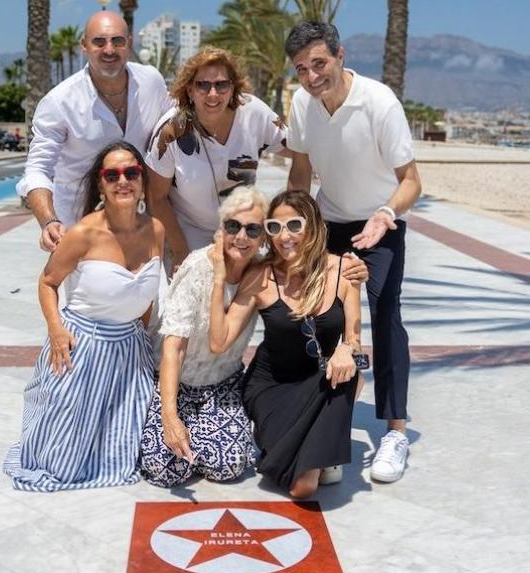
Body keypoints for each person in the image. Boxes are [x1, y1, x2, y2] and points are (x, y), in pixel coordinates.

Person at [285, 21, 422, 483]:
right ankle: (325, 432)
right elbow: (300, 171)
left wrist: (385, 214)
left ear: (340, 55)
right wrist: (295, 225)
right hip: (329, 222)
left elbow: (412, 181)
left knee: (384, 315)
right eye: (301, 68)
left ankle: (396, 433)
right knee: (318, 315)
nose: (311, 76)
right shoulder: (302, 104)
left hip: (380, 223)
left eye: (319, 63)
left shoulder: (379, 102)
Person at [3, 141, 165, 491]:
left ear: (142, 180)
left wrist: (140, 336)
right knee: (63, 464)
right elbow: (48, 282)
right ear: (100, 185)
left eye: (132, 172)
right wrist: (56, 331)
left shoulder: (156, 229)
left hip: (129, 354)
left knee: (132, 453)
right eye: (112, 175)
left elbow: (145, 295)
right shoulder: (82, 233)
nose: (123, 181)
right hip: (81, 349)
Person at [210, 191, 362, 499]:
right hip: (272, 386)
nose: (284, 236)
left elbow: (355, 339)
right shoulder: (262, 276)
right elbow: (219, 341)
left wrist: (346, 348)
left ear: (313, 227)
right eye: (275, 227)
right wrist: (218, 279)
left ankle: (320, 447)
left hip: (319, 380)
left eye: (294, 225)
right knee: (303, 488)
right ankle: (318, 447)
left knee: (352, 373)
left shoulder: (343, 272)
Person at [138, 187, 267, 487]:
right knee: (164, 468)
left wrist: (347, 270)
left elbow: (303, 267)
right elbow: (174, 348)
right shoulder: (197, 268)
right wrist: (169, 416)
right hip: (177, 382)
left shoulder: (261, 272)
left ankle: (201, 433)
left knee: (228, 465)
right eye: (233, 226)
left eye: (252, 229)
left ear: (263, 237)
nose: (242, 237)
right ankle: (188, 430)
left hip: (222, 383)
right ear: (221, 229)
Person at [18, 10, 171, 252]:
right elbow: (38, 170)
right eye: (99, 41)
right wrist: (48, 221)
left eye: (117, 41)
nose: (109, 49)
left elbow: (174, 123)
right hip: (79, 230)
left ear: (129, 43)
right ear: (84, 46)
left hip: (142, 225)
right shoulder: (59, 102)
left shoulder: (151, 82)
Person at [146, 47, 287, 271]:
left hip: (242, 233)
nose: (213, 94)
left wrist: (290, 212)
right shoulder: (171, 131)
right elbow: (156, 197)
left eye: (221, 85)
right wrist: (180, 251)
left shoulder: (255, 114)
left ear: (233, 88)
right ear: (189, 90)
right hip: (189, 234)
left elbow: (299, 149)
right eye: (202, 85)